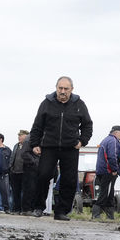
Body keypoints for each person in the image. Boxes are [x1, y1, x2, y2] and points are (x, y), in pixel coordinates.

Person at [29, 76, 93, 220]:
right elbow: (37, 125)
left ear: (72, 90)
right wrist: (35, 144)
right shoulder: (46, 103)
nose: (62, 91)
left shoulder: (79, 104)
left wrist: (82, 141)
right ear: (56, 88)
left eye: (66, 89)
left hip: (70, 147)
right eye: (60, 88)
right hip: (49, 146)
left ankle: (61, 211)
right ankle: (38, 207)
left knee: (69, 180)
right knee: (43, 175)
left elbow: (87, 125)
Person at [91, 125, 120, 220]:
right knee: (105, 193)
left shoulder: (106, 140)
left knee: (110, 193)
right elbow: (112, 156)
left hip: (103, 170)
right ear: (116, 132)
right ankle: (96, 214)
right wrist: (114, 170)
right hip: (108, 171)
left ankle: (110, 215)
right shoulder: (113, 141)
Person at [9, 130, 28, 213]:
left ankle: (24, 209)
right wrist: (10, 168)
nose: (19, 137)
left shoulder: (29, 146)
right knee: (15, 192)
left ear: (26, 136)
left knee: (25, 192)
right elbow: (12, 158)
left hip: (25, 172)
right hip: (15, 172)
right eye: (19, 135)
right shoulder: (16, 146)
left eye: (21, 135)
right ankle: (16, 209)